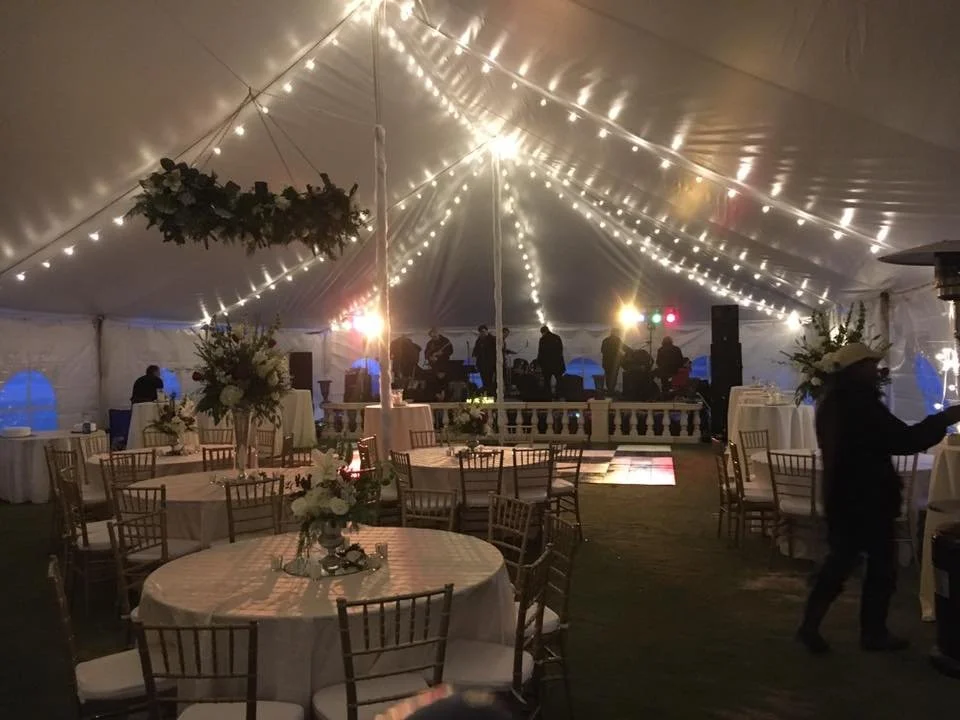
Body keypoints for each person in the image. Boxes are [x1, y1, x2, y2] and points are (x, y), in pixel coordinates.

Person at [797, 342, 960, 654]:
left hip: (843, 496)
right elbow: (903, 439)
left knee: (840, 564)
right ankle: (872, 633)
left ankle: (811, 626)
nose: (877, 371)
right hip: (866, 498)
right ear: (858, 369)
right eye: (871, 365)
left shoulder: (832, 401)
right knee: (879, 568)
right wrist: (942, 419)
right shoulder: (859, 403)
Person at [537, 325, 565, 398]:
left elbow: (541, 352)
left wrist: (539, 362)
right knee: (559, 380)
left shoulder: (542, 339)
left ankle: (548, 396)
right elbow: (561, 350)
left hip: (547, 365)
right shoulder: (557, 337)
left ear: (543, 332)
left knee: (547, 381)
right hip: (558, 364)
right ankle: (559, 395)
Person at [472, 325, 496, 393]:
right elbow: (475, 350)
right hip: (481, 364)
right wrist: (474, 357)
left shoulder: (492, 339)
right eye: (480, 332)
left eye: (483, 332)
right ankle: (483, 393)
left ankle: (489, 393)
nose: (482, 333)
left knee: (488, 380)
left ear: (486, 331)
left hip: (490, 364)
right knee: (481, 379)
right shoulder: (479, 340)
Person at [600, 327, 624, 394]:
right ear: (616, 332)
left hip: (606, 363)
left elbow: (602, 351)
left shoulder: (605, 340)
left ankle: (609, 390)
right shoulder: (617, 340)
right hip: (614, 363)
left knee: (608, 376)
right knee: (613, 377)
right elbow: (622, 349)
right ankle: (611, 390)